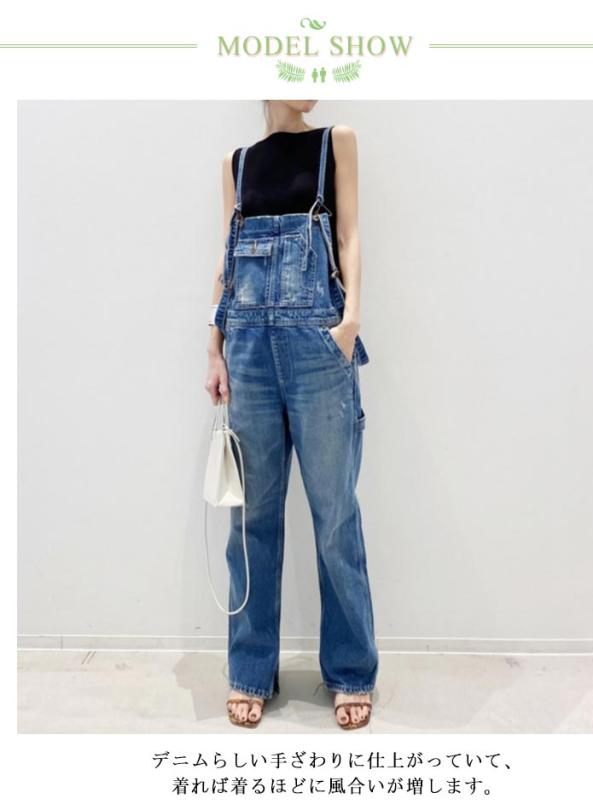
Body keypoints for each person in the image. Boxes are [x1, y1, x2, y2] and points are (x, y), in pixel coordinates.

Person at [204, 100, 378, 730]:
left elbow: (349, 234)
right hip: (247, 351)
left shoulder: (336, 141)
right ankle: (251, 671)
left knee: (335, 516)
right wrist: (214, 346)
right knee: (250, 521)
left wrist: (349, 321)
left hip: (318, 348)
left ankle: (351, 671)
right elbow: (228, 260)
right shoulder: (238, 163)